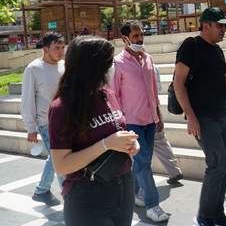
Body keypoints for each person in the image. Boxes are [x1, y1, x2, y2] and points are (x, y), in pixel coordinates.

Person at [173, 7, 226, 226]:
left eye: (225, 26)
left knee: (223, 165)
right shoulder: (191, 46)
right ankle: (205, 216)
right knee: (217, 163)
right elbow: (178, 82)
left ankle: (217, 214)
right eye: (220, 26)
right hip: (202, 117)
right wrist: (191, 117)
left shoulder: (217, 51)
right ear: (205, 25)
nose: (224, 30)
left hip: (221, 114)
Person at [48, 36, 139, 226]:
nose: (113, 67)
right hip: (87, 195)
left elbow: (119, 131)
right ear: (92, 67)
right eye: (109, 62)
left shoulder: (107, 95)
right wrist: (105, 145)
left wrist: (130, 143)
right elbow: (62, 165)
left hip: (123, 184)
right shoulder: (62, 108)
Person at [110, 21, 169, 223]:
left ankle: (131, 194)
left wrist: (158, 115)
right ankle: (153, 205)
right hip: (131, 121)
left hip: (150, 120)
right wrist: (119, 123)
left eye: (141, 35)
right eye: (135, 36)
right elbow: (113, 95)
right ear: (125, 39)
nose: (139, 39)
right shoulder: (117, 64)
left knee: (144, 161)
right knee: (143, 162)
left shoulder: (149, 59)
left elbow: (153, 91)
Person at [21, 32, 65, 206]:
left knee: (56, 157)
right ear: (46, 49)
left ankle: (41, 190)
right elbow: (27, 99)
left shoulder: (63, 65)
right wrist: (31, 127)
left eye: (62, 47)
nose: (61, 51)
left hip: (65, 120)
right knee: (59, 157)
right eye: (57, 48)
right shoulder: (33, 69)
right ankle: (69, 198)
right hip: (46, 123)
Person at [153, 64, 184, 185]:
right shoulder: (154, 67)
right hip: (154, 109)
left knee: (142, 153)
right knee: (161, 142)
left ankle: (141, 189)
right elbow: (158, 89)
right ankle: (175, 171)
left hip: (138, 115)